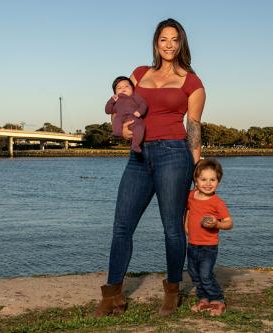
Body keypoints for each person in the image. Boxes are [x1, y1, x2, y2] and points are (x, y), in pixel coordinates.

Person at [95, 18, 206, 317]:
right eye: (163, 39)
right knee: (121, 227)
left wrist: (196, 169)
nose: (169, 45)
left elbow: (193, 128)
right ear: (156, 43)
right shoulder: (139, 74)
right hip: (138, 157)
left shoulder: (192, 82)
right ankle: (112, 296)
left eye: (174, 39)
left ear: (181, 43)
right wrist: (122, 131)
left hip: (174, 155)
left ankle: (172, 292)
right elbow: (119, 106)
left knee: (172, 229)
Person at [184, 158, 233, 316]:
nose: (208, 183)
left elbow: (229, 223)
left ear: (218, 182)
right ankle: (204, 298)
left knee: (205, 274)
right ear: (196, 181)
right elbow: (189, 210)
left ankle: (217, 299)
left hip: (209, 246)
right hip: (192, 243)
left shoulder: (217, 202)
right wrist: (185, 223)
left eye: (213, 179)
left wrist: (217, 224)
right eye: (203, 179)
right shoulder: (191, 196)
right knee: (194, 273)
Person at [105, 76, 147, 153]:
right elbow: (108, 111)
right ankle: (117, 133)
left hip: (134, 119)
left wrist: (140, 112)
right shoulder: (115, 100)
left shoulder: (134, 96)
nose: (123, 88)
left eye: (126, 86)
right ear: (115, 92)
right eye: (119, 88)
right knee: (117, 121)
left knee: (140, 127)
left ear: (132, 88)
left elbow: (143, 104)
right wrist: (111, 101)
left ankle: (135, 145)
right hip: (120, 118)